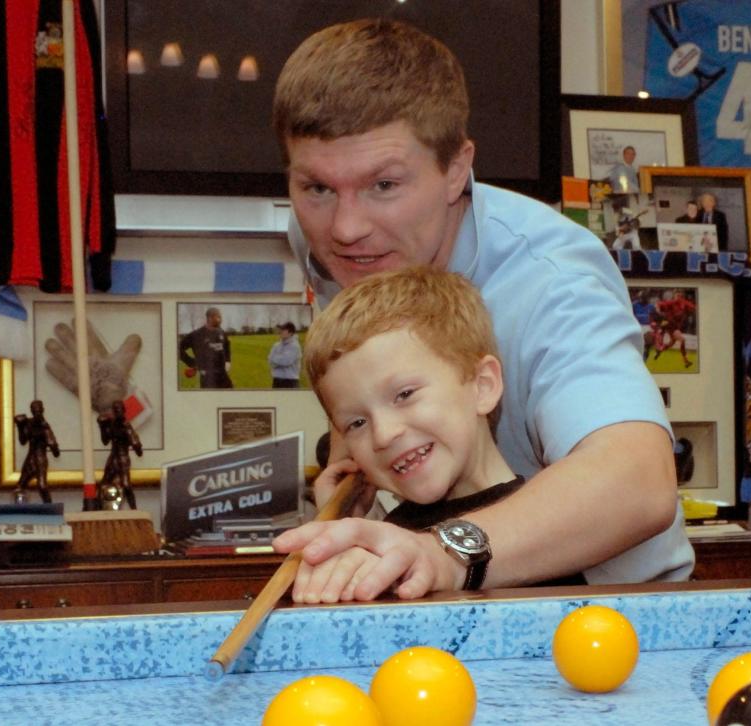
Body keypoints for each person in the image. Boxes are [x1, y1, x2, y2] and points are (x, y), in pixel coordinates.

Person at [271, 19, 693, 597]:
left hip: (612, 607)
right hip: (452, 588)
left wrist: (443, 551)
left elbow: (640, 483)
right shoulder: (329, 238)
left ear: (455, 169)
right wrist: (355, 451)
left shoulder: (552, 279)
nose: (346, 228)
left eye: (384, 186)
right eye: (317, 188)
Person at [289, 267, 589, 602]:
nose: (384, 435)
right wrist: (344, 527)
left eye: (404, 394)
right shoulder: (390, 536)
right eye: (356, 423)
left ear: (482, 385)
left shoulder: (545, 532)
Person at [97, 400, 142, 510]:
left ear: (124, 411)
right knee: (103, 484)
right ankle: (96, 509)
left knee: (126, 485)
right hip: (113, 457)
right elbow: (105, 441)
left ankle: (134, 509)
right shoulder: (111, 424)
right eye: (116, 410)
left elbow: (136, 445)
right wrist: (102, 427)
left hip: (123, 458)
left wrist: (137, 446)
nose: (118, 412)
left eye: (120, 410)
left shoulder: (126, 427)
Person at [14, 400, 60, 503]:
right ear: (31, 411)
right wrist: (20, 427)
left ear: (43, 410)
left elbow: (56, 453)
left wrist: (53, 445)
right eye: (34, 411)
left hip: (40, 459)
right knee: (20, 486)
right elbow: (23, 441)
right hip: (30, 458)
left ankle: (49, 508)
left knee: (42, 486)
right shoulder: (29, 423)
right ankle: (20, 511)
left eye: (39, 411)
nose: (37, 413)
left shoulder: (45, 427)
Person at [178, 307, 233, 389]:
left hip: (223, 376)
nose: (220, 319)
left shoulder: (221, 332)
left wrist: (228, 360)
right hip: (207, 378)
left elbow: (227, 344)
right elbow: (177, 348)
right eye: (217, 317)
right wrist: (191, 362)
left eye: (220, 317)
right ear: (209, 318)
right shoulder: (196, 335)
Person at [650, 290, 695, 369]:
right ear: (674, 296)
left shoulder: (684, 303)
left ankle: (660, 350)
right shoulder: (672, 303)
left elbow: (693, 307)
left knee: (671, 343)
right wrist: (659, 312)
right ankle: (686, 361)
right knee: (682, 340)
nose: (679, 298)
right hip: (670, 325)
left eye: (680, 296)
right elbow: (658, 305)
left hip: (676, 326)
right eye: (677, 296)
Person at [268, 321, 302, 388]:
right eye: (281, 329)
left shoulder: (295, 346)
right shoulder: (276, 345)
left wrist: (275, 359)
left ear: (291, 333)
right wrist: (279, 359)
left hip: (290, 382)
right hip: (276, 381)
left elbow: (286, 361)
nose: (281, 331)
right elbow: (270, 361)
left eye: (284, 330)